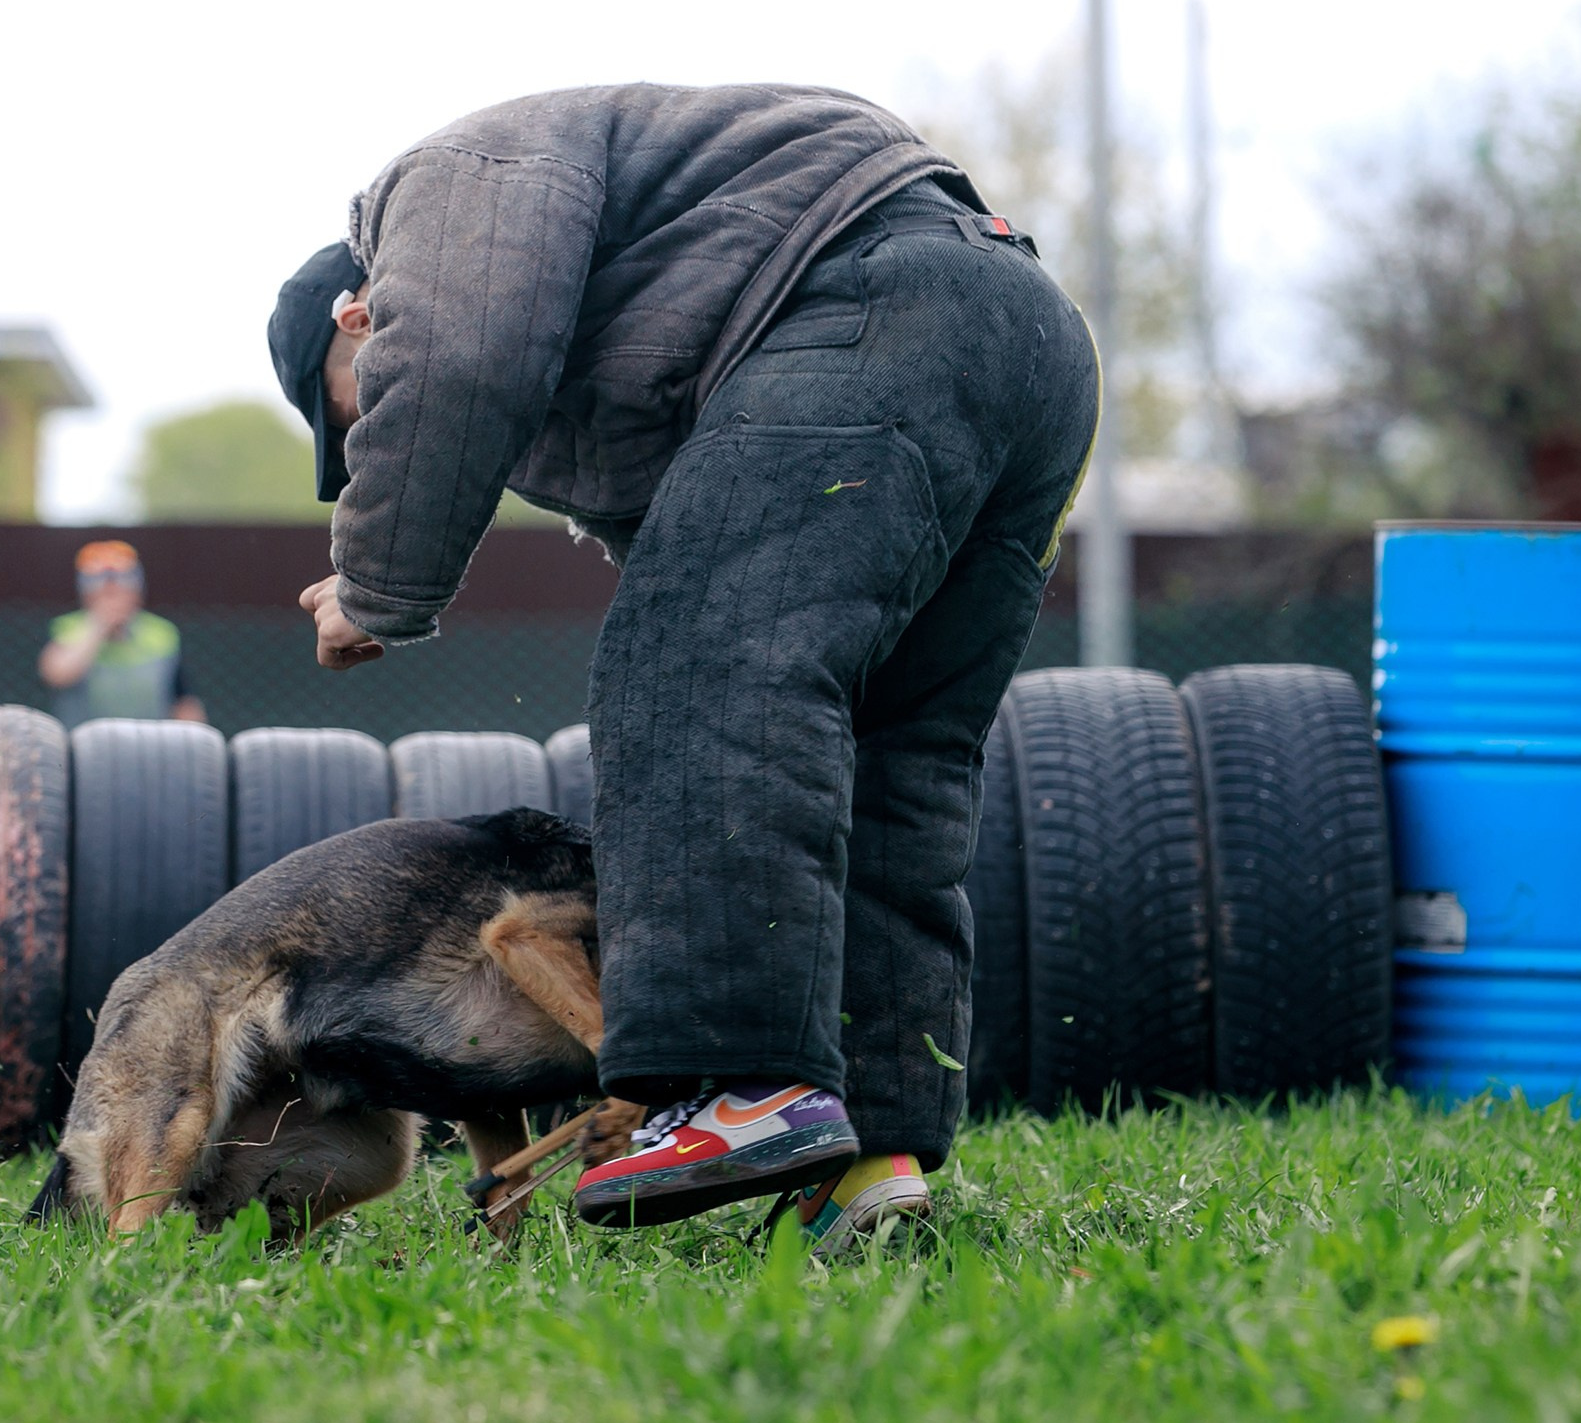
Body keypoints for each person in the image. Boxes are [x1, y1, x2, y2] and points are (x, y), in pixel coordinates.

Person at [267, 84, 1097, 1249]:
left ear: (360, 318)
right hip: (1026, 346)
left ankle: (743, 1088)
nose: (370, 450)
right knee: (887, 756)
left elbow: (458, 359)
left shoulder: (445, 187)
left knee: (695, 682)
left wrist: (374, 582)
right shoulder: (639, 301)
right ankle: (867, 1163)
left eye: (358, 419)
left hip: (873, 300)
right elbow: (694, 526)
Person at [39, 540, 205, 727]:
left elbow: (184, 701)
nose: (113, 595)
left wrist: (193, 736)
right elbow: (56, 675)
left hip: (150, 741)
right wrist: (98, 627)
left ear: (137, 591)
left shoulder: (161, 633)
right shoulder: (66, 628)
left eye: (120, 587)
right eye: (103, 590)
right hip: (84, 742)